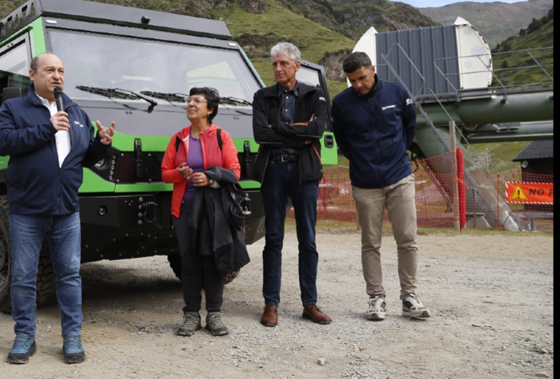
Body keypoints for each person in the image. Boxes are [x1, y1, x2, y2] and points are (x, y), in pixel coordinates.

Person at [0, 52, 115, 365]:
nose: (57, 75)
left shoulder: (74, 111)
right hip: (26, 210)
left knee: (70, 275)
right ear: (32, 75)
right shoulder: (14, 108)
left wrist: (101, 145)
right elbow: (2, 142)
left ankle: (72, 336)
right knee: (22, 275)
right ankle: (24, 336)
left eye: (61, 70)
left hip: (66, 211)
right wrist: (46, 128)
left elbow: (83, 157)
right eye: (49, 70)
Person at [331, 51, 431, 321]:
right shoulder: (341, 103)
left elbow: (410, 127)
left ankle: (409, 297)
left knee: (407, 239)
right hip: (365, 184)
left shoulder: (397, 92)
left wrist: (397, 155)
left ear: (372, 69)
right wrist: (362, 162)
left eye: (362, 78)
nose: (358, 85)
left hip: (399, 177)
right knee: (370, 242)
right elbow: (343, 141)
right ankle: (376, 298)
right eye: (352, 81)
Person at [252, 42, 331, 327]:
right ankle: (270, 303)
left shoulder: (314, 94)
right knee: (273, 238)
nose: (278, 68)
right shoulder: (262, 96)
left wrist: (280, 129)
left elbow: (317, 130)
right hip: (273, 171)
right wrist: (299, 132)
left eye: (283, 63)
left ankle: (309, 303)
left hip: (305, 172)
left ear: (297, 65)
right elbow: (262, 135)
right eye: (274, 64)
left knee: (307, 239)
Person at [161, 87, 242, 337]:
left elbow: (235, 172)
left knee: (212, 260)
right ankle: (190, 315)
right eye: (189, 100)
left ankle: (214, 315)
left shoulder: (221, 137)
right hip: (184, 209)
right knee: (189, 261)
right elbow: (165, 173)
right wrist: (180, 174)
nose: (190, 104)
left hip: (213, 210)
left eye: (197, 101)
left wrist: (209, 179)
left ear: (210, 109)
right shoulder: (178, 138)